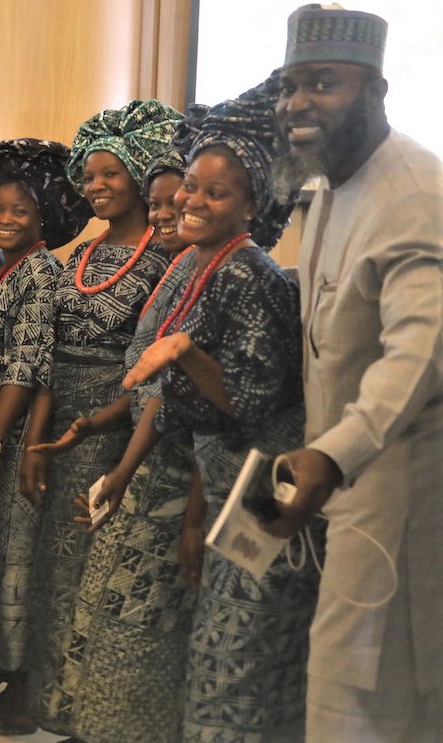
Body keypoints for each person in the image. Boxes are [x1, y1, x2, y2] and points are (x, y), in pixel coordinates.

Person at [125, 75, 320, 741]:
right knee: (216, 644)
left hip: (269, 484)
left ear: (251, 203)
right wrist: (196, 514)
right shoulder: (197, 260)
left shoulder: (253, 274)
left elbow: (249, 401)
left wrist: (182, 349)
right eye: (191, 185)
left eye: (217, 192)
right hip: (224, 473)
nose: (193, 200)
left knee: (243, 647)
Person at [267, 4, 443, 741]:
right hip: (346, 486)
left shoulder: (412, 192)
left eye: (324, 83)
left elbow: (420, 347)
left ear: (376, 91)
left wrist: (332, 453)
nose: (298, 104)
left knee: (361, 697)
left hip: (393, 489)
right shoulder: (333, 187)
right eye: (291, 85)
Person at [17, 98, 181, 736]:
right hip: (60, 426)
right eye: (88, 176)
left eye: (110, 173)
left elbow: (155, 369)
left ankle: (91, 702)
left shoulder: (165, 256)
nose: (96, 187)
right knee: (50, 565)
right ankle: (50, 701)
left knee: (98, 563)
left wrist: (103, 424)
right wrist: (35, 443)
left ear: (139, 176)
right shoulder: (74, 257)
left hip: (123, 430)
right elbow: (44, 361)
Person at [52, 147, 201, 743]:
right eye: (162, 201)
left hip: (174, 472)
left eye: (177, 201)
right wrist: (93, 425)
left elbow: (168, 397)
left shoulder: (203, 279)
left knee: (135, 621)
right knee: (107, 613)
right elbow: (143, 387)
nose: (168, 213)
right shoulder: (179, 272)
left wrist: (120, 472)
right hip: (138, 456)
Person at [0, 138, 90, 736]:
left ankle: (23, 699)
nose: (4, 220)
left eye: (20, 212)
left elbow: (28, 369)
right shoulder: (6, 269)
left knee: (17, 563)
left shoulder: (40, 272)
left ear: (44, 219)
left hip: (9, 439)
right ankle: (0, 681)